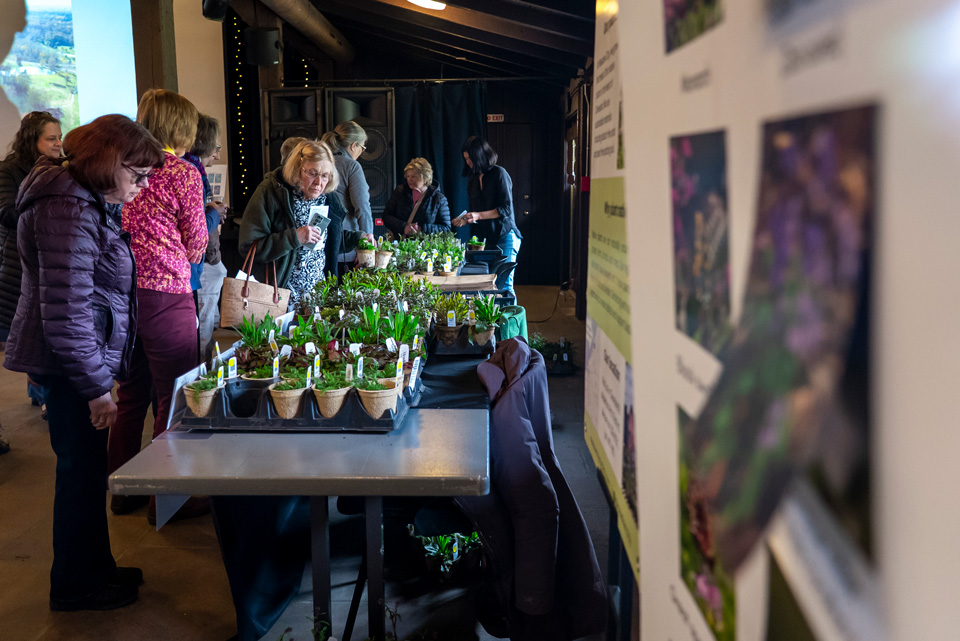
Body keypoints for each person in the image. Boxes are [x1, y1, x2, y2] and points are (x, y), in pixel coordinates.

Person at [3, 114, 165, 610]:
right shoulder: (65, 206)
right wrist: (97, 387)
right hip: (70, 362)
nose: (140, 187)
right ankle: (76, 586)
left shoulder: (79, 196)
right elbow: (68, 309)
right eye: (135, 175)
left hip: (78, 357)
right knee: (79, 474)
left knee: (89, 471)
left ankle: (96, 567)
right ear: (106, 161)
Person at [108, 89, 208, 518]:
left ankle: (124, 490)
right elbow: (198, 243)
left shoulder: (120, 167)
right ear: (182, 127)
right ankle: (163, 498)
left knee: (130, 395)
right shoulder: (182, 171)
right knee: (174, 393)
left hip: (122, 295)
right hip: (167, 293)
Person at [238, 140, 369, 309]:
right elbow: (249, 247)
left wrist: (358, 238)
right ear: (297, 168)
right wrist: (294, 237)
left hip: (318, 295)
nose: (318, 183)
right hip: (279, 297)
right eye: (312, 173)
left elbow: (326, 241)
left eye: (325, 176)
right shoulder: (271, 192)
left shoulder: (328, 198)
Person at [0, 111, 62, 423]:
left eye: (59, 137)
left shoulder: (61, 169)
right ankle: (42, 394)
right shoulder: (8, 170)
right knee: (25, 332)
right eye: (51, 138)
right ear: (31, 140)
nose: (58, 144)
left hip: (49, 261)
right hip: (16, 265)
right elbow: (6, 213)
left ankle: (44, 396)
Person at [454, 136, 523, 297]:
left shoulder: (499, 173)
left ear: (480, 156)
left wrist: (477, 215)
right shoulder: (472, 178)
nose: (468, 162)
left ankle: (512, 322)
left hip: (505, 236)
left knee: (504, 286)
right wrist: (465, 219)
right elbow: (477, 210)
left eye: (470, 158)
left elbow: (506, 208)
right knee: (489, 285)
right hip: (486, 240)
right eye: (466, 159)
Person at [183, 114, 227, 361]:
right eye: (216, 147)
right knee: (197, 339)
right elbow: (197, 231)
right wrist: (214, 213)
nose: (218, 155)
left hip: (197, 267)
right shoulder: (190, 172)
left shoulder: (193, 169)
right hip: (194, 269)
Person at [321, 121, 372, 271]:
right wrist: (365, 247)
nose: (362, 152)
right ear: (353, 145)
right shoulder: (352, 166)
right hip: (345, 248)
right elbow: (362, 208)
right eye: (362, 147)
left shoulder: (322, 162)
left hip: (318, 241)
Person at [381, 157, 451, 238]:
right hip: (400, 245)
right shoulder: (400, 192)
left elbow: (446, 228)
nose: (409, 180)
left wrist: (422, 229)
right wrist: (404, 227)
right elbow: (386, 216)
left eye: (413, 176)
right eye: (407, 176)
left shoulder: (438, 198)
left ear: (425, 177)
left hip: (426, 248)